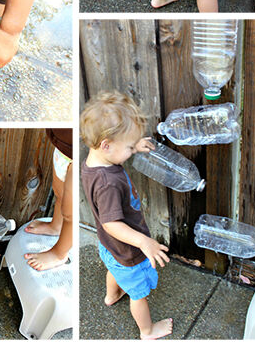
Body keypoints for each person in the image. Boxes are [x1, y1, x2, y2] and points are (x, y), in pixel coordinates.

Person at [80, 91, 172, 340]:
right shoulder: (107, 184)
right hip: (128, 250)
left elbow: (117, 149)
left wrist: (134, 144)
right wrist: (143, 241)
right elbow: (111, 223)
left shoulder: (93, 164)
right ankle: (148, 331)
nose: (132, 152)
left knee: (114, 269)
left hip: (110, 248)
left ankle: (111, 296)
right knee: (138, 295)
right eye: (129, 147)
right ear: (106, 145)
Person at [24, 128, 72, 271]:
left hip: (78, 157)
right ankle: (56, 226)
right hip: (63, 149)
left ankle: (60, 254)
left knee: (71, 213)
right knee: (59, 193)